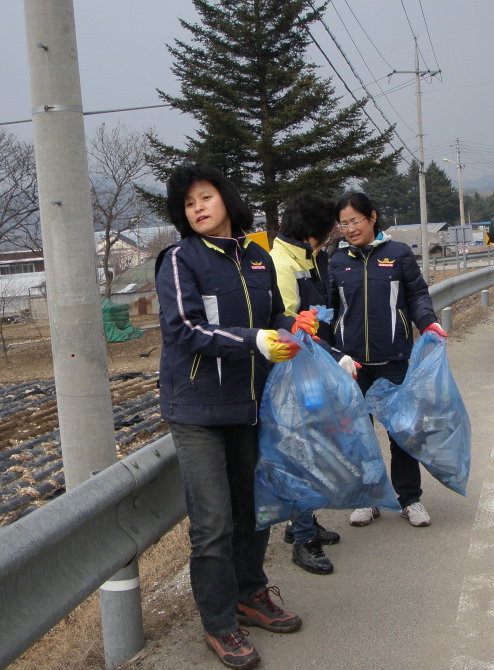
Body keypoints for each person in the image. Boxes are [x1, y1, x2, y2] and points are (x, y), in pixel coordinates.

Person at [155, 162, 318, 669]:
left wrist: (293, 324)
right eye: (188, 203)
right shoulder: (180, 260)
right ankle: (219, 621)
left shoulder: (255, 255)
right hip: (198, 410)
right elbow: (184, 328)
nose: (198, 208)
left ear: (225, 199)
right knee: (213, 522)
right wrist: (256, 342)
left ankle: (251, 594)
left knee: (253, 511)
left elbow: (268, 315)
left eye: (204, 197)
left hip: (250, 403)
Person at [329, 191, 447, 528]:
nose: (350, 229)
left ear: (372, 217)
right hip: (352, 366)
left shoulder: (397, 254)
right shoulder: (336, 262)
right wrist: (333, 351)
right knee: (359, 437)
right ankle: (369, 498)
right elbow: (329, 311)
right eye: (344, 223)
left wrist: (428, 322)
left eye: (355, 221)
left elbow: (417, 295)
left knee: (401, 433)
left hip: (394, 360)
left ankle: (409, 499)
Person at [269, 193, 353, 575]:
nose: (330, 236)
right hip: (296, 371)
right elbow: (291, 330)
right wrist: (335, 358)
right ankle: (303, 539)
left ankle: (302, 522)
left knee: (314, 447)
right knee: (301, 452)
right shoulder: (282, 265)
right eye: (326, 231)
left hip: (315, 364)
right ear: (310, 233)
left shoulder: (308, 258)